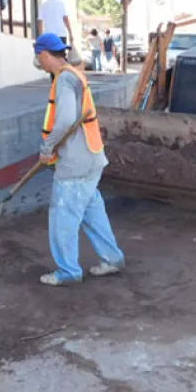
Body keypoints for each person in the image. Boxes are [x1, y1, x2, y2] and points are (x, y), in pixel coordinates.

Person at [33, 33, 125, 286]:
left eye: (38, 56)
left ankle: (68, 271)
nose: (38, 61)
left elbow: (64, 120)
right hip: (93, 156)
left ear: (43, 54)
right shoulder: (75, 74)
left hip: (75, 162)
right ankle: (112, 258)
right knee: (92, 211)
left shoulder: (64, 80)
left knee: (63, 215)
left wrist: (47, 147)